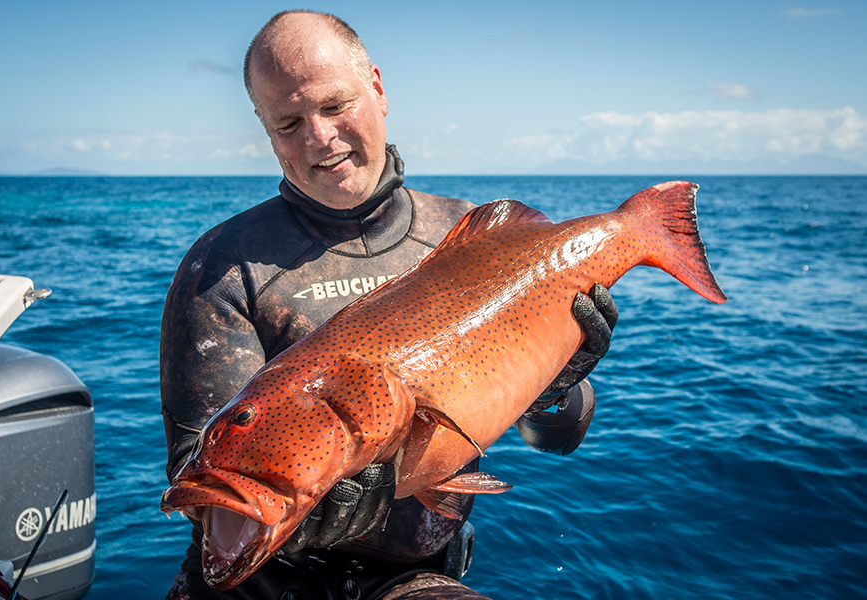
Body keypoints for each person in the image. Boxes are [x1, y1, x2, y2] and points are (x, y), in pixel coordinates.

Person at [160, 10, 617, 600]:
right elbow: (199, 484)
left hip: (413, 583)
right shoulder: (222, 268)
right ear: (265, 128)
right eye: (288, 122)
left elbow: (556, 438)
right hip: (261, 586)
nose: (318, 137)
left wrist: (555, 388)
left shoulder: (467, 239)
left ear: (377, 86)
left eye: (333, 106)